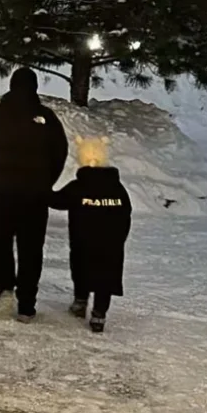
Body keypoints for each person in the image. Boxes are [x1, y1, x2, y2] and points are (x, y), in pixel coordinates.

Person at [0, 67, 68, 322]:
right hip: (35, 196)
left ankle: (5, 289)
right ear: (35, 88)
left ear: (11, 86)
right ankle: (26, 304)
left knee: (0, 243)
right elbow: (60, 153)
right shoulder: (46, 117)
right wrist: (46, 182)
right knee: (31, 248)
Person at [49, 135, 132, 334]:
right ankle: (99, 314)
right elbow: (125, 213)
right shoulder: (118, 189)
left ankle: (80, 302)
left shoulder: (79, 187)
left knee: (82, 269)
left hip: (82, 241)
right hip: (112, 244)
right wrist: (119, 237)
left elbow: (57, 201)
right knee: (106, 276)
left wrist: (38, 187)